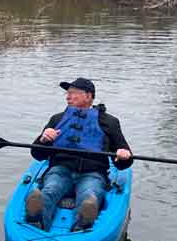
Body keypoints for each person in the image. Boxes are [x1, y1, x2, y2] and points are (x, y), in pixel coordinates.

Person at [26, 77, 133, 231]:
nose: (68, 97)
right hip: (60, 170)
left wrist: (123, 156)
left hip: (93, 173)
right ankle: (37, 217)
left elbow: (123, 164)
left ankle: (83, 220)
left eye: (73, 93)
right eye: (67, 93)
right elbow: (38, 155)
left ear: (88, 96)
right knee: (51, 188)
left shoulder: (109, 122)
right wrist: (43, 140)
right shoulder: (58, 119)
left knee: (89, 193)